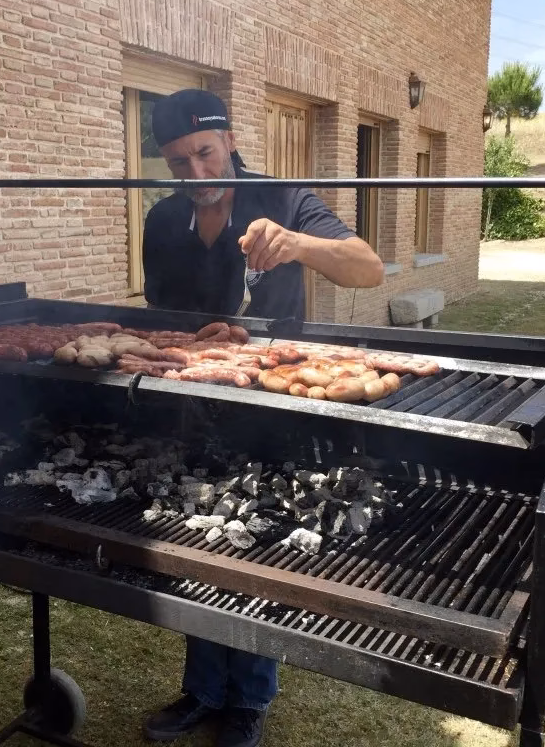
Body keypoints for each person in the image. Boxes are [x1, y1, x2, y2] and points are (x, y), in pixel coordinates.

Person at [139, 89, 383, 747]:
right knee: (198, 538)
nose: (196, 175)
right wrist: (202, 337)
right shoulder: (162, 222)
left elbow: (369, 267)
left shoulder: (281, 198)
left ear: (230, 140)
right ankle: (201, 690)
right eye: (179, 163)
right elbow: (166, 317)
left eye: (205, 154)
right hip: (198, 403)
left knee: (257, 543)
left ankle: (248, 698)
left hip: (275, 408)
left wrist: (300, 244)